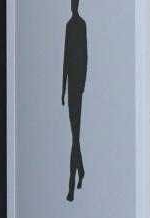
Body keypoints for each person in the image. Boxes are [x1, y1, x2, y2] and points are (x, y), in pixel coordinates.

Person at [62, 0, 88, 202]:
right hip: (72, 87)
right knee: (74, 135)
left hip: (77, 86)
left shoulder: (81, 25)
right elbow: (65, 58)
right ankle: (81, 169)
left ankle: (71, 186)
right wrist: (63, 89)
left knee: (75, 135)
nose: (73, 5)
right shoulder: (69, 26)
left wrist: (83, 84)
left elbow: (85, 56)